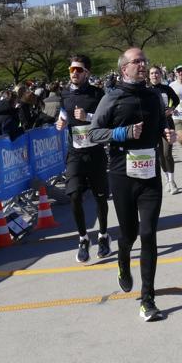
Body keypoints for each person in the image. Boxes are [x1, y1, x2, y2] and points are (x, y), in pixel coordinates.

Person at [89, 48, 175, 322]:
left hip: (149, 174)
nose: (142, 65)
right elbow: (93, 133)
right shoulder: (112, 98)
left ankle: (148, 299)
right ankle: (123, 257)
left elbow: (160, 125)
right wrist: (122, 132)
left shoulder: (154, 96)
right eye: (136, 61)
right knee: (130, 233)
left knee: (148, 233)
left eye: (144, 61)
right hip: (122, 175)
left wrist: (167, 133)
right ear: (123, 68)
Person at [55, 54, 112, 263]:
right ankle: (83, 239)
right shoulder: (64, 95)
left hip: (95, 152)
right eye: (72, 70)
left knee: (100, 198)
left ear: (87, 72)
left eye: (79, 70)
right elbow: (63, 114)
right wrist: (60, 123)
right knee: (74, 195)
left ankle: (103, 236)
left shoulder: (98, 94)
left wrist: (87, 117)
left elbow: (107, 120)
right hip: (75, 153)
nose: (74, 73)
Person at [148, 65, 181, 194]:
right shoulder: (146, 90)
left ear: (161, 75)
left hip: (167, 123)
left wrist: (171, 109)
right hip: (153, 126)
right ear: (148, 76)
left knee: (167, 153)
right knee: (160, 155)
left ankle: (172, 181)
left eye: (157, 73)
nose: (154, 75)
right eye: (152, 73)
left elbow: (176, 100)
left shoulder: (166, 88)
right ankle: (167, 179)